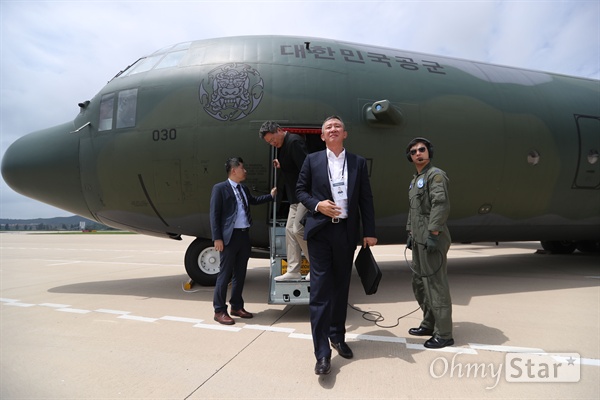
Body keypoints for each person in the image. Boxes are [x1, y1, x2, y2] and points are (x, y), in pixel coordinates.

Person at [296, 116, 377, 375]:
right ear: (322, 136)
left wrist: (370, 232)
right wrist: (318, 205)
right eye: (328, 127)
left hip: (345, 232)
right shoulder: (312, 160)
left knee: (341, 288)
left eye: (337, 127)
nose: (333, 129)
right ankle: (322, 354)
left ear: (345, 134)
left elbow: (366, 198)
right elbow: (300, 191)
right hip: (320, 233)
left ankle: (337, 336)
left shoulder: (357, 163)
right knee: (320, 292)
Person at [210, 157, 277, 325]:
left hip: (244, 236)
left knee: (240, 274)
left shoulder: (243, 189)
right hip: (229, 238)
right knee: (224, 275)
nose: (245, 171)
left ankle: (236, 306)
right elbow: (214, 215)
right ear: (234, 170)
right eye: (242, 168)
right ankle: (219, 310)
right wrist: (217, 237)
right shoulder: (220, 189)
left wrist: (270, 196)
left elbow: (253, 201)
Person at [405, 137, 454, 348]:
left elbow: (440, 205)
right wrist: (410, 232)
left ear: (429, 152)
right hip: (419, 239)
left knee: (435, 284)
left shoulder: (436, 176)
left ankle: (444, 334)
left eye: (422, 149)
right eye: (414, 151)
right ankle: (429, 323)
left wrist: (433, 233)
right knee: (419, 283)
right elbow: (414, 210)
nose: (418, 153)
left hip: (432, 237)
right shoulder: (416, 179)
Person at [259, 121, 310, 281]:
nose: (272, 143)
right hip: (295, 197)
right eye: (269, 143)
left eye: (272, 139)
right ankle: (293, 270)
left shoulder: (294, 141)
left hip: (304, 195)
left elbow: (306, 169)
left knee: (298, 230)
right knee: (289, 230)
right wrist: (282, 165)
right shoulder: (283, 146)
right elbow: (293, 166)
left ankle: (317, 266)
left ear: (279, 130)